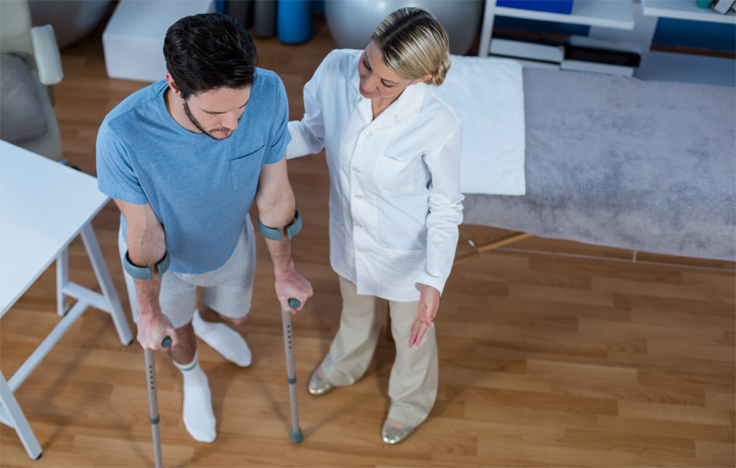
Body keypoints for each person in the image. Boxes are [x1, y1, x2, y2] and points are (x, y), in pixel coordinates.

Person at [96, 13, 312, 443]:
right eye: (216, 112)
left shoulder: (268, 92)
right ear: (175, 85)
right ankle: (193, 376)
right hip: (165, 260)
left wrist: (285, 269)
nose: (233, 125)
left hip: (230, 239)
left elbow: (273, 194)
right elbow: (145, 235)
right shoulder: (122, 134)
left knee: (236, 314)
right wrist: (148, 312)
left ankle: (209, 322)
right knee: (175, 334)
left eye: (241, 109)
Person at [287, 7, 463, 444]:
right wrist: (253, 145)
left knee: (412, 332)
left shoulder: (437, 122)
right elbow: (312, 132)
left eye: (386, 82)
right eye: (368, 63)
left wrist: (434, 281)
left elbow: (445, 207)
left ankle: (410, 399)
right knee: (355, 305)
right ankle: (348, 360)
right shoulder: (334, 69)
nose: (366, 85)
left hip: (408, 252)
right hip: (350, 232)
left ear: (419, 80)